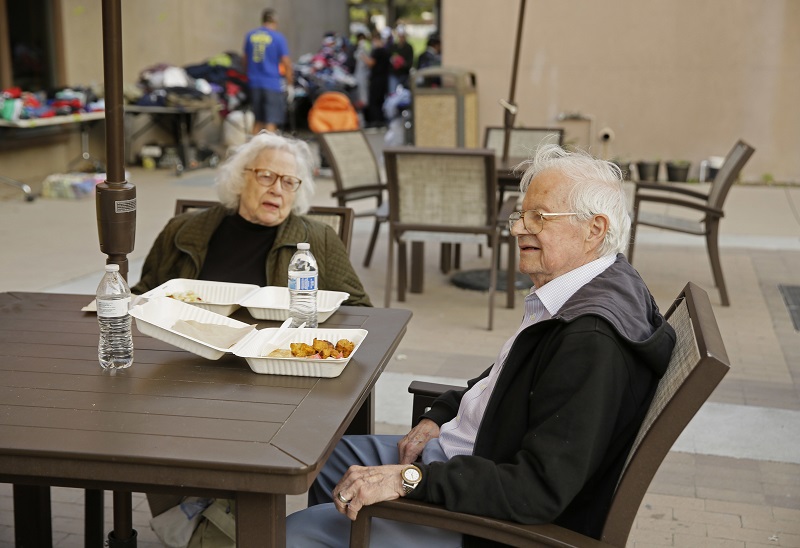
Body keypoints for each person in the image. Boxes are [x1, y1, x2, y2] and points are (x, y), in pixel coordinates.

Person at [285, 144, 677, 546]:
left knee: (295, 533)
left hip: (485, 524)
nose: (518, 228)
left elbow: (538, 490)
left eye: (538, 217)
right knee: (329, 461)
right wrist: (440, 414)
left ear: (594, 228)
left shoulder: (591, 337)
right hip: (469, 458)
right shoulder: (587, 287)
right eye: (520, 215)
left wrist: (412, 479)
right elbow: (508, 379)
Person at [131, 131, 372, 307]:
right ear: (239, 179)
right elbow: (142, 297)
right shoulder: (183, 229)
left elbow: (361, 310)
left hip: (277, 360)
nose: (277, 189)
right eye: (266, 176)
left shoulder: (320, 239)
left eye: (288, 182)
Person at [243, 8, 293, 134]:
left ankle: (252, 149)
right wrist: (290, 84)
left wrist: (248, 75)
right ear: (275, 21)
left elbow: (245, 60)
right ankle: (268, 151)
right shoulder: (278, 38)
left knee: (258, 120)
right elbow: (286, 63)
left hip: (254, 83)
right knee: (271, 121)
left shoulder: (250, 35)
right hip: (271, 84)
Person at [362, 30, 390, 127]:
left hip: (376, 79)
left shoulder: (377, 51)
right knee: (381, 100)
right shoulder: (386, 51)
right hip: (384, 79)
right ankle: (381, 119)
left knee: (374, 100)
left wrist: (362, 56)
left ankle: (376, 120)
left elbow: (371, 63)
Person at [387, 25, 414, 92]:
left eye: (402, 36)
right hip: (394, 74)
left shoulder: (408, 47)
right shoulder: (393, 47)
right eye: (400, 36)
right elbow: (388, 58)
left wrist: (403, 63)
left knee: (405, 93)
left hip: (404, 74)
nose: (401, 38)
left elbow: (410, 62)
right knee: (392, 93)